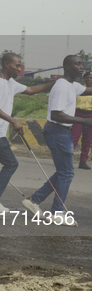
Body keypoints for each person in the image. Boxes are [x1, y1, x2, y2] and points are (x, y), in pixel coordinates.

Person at [22, 55, 92, 226]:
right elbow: (56, 114)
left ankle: (34, 200)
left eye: (82, 64)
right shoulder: (61, 86)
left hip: (61, 132)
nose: (82, 67)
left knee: (63, 172)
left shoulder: (72, 85)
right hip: (58, 132)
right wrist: (84, 121)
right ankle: (57, 212)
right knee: (67, 173)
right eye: (78, 64)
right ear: (67, 67)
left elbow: (89, 90)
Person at [0, 53, 55, 213]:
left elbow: (30, 89)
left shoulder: (10, 83)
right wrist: (13, 120)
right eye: (17, 65)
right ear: (7, 64)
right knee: (11, 164)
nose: (19, 69)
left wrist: (54, 83)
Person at [71, 71, 92, 169]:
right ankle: (68, 160)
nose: (89, 79)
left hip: (90, 116)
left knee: (87, 140)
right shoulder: (79, 89)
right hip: (78, 115)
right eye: (87, 77)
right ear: (84, 79)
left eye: (91, 78)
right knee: (74, 138)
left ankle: (83, 162)